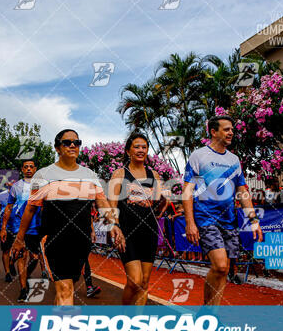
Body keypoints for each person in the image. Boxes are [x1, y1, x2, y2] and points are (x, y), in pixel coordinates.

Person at [12, 129, 125, 305]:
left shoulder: (90, 175)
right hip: (55, 240)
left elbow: (102, 203)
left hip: (81, 241)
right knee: (65, 291)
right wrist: (19, 239)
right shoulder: (43, 175)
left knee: (66, 289)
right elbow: (30, 209)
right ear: (57, 148)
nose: (73, 145)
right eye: (67, 142)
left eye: (76, 142)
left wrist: (114, 225)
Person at [183, 115, 263, 305]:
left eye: (232, 129)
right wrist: (190, 222)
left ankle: (211, 314)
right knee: (219, 264)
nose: (231, 132)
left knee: (225, 269)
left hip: (228, 220)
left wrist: (254, 220)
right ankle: (207, 308)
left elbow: (242, 191)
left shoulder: (234, 160)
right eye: (226, 129)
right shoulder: (199, 155)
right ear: (213, 131)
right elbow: (187, 190)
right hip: (205, 217)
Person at [108, 133, 167, 310]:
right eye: (137, 147)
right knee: (135, 281)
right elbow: (111, 204)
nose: (141, 150)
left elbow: (158, 200)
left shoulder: (154, 174)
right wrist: (115, 225)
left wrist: (165, 199)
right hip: (127, 232)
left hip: (149, 231)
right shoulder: (120, 173)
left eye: (144, 147)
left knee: (145, 282)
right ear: (128, 151)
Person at [2, 160, 47, 301]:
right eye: (25, 167)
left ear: (35, 169)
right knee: (23, 256)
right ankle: (23, 289)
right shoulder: (16, 187)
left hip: (37, 227)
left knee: (34, 257)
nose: (28, 169)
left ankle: (21, 270)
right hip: (19, 227)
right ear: (22, 169)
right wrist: (3, 227)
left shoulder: (42, 185)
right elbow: (9, 207)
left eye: (31, 167)